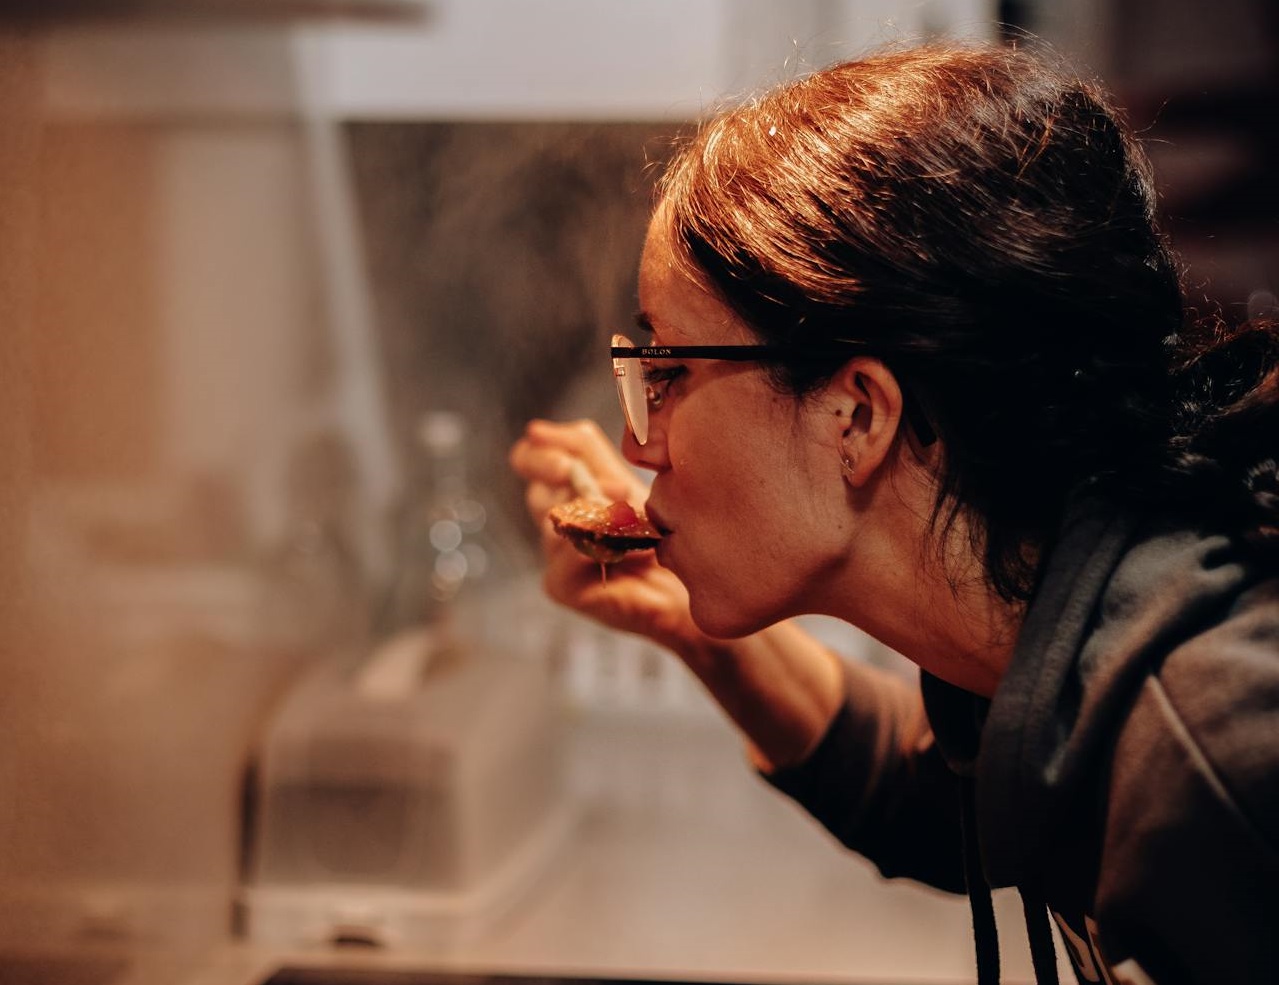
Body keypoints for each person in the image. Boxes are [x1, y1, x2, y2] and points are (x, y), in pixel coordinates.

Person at [509, 40, 1279, 985]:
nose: (637, 443)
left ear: (857, 414)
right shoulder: (1063, 638)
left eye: (667, 370)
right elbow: (932, 792)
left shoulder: (1219, 757)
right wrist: (697, 628)